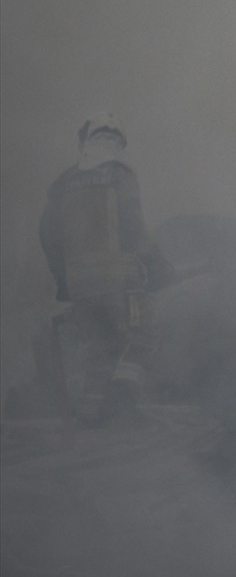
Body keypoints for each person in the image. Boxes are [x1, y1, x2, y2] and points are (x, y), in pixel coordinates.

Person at [37, 113, 174, 424]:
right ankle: (122, 403)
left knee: (100, 345)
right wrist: (159, 265)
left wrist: (63, 277)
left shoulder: (63, 182)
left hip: (79, 283)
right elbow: (134, 226)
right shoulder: (119, 174)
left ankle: (90, 413)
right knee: (141, 337)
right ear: (119, 142)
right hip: (120, 279)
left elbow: (48, 233)